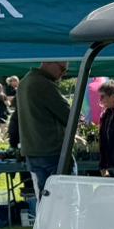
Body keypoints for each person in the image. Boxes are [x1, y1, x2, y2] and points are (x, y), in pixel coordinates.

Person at [15, 61, 72, 201]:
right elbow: (70, 116)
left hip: (33, 151)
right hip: (52, 150)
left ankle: (48, 223)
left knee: (45, 200)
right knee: (67, 200)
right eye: (62, 69)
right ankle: (64, 224)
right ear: (49, 63)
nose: (63, 74)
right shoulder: (44, 84)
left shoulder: (24, 82)